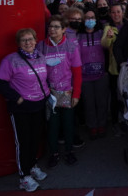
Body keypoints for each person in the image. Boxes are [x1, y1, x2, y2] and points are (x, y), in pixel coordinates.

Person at [0, 28, 50, 192]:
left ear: (35, 40)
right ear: (18, 43)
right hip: (21, 108)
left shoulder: (40, 56)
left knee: (35, 139)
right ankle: (24, 177)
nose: (28, 43)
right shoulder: (10, 60)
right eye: (24, 40)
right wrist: (17, 98)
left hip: (39, 104)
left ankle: (32, 166)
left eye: (31, 39)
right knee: (23, 142)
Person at [37, 15, 82, 168]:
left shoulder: (71, 46)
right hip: (49, 92)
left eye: (56, 27)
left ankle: (69, 152)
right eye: (50, 26)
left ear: (64, 29)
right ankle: (54, 153)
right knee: (52, 125)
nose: (52, 29)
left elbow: (77, 72)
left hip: (67, 92)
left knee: (68, 124)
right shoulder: (41, 46)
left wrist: (76, 94)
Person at [76, 6, 109, 139]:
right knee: (88, 103)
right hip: (85, 77)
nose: (90, 20)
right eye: (87, 18)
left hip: (101, 74)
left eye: (92, 18)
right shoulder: (79, 36)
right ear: (83, 20)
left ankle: (102, 124)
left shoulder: (102, 33)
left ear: (96, 19)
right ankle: (92, 126)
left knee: (101, 102)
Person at [101, 3, 126, 130]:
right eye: (113, 12)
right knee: (115, 97)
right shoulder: (108, 28)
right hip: (114, 68)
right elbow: (104, 44)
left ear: (122, 12)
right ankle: (116, 121)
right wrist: (109, 37)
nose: (116, 14)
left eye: (118, 11)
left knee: (127, 95)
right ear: (110, 14)